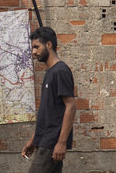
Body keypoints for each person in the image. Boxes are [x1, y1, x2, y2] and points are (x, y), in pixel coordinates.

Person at [21, 27, 76, 172]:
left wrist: (62, 143)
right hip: (45, 141)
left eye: (36, 47)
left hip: (52, 143)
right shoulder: (50, 72)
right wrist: (34, 140)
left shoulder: (60, 71)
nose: (33, 52)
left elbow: (70, 106)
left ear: (49, 45)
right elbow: (47, 114)